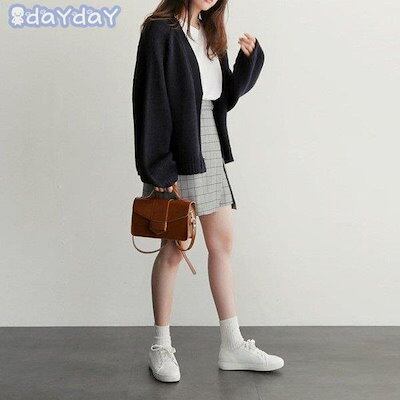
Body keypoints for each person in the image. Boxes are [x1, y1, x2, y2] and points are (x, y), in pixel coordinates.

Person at [132, 0, 284, 383]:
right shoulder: (160, 31)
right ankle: (161, 346)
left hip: (209, 142)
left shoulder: (210, 32)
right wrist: (158, 167)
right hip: (175, 146)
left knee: (222, 244)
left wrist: (248, 61)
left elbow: (224, 97)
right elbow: (149, 100)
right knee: (174, 248)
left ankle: (232, 345)